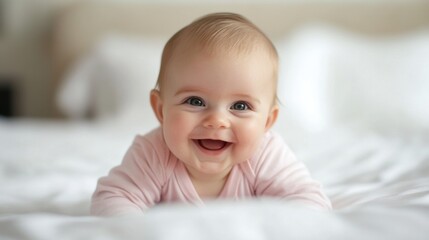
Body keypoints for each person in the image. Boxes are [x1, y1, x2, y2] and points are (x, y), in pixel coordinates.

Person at [91, 12, 332, 216]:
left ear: (267, 121)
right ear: (160, 109)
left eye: (240, 106)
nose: (216, 120)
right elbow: (113, 199)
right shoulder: (154, 153)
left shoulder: (265, 155)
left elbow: (309, 201)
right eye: (195, 101)